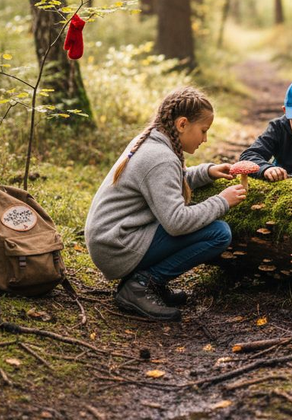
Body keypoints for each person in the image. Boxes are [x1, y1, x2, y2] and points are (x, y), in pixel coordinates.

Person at [84, 86, 247, 321]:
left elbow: (167, 185)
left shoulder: (152, 142)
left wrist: (207, 172)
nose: (205, 138)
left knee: (214, 229)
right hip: (117, 246)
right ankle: (141, 285)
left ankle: (147, 283)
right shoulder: (160, 157)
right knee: (219, 233)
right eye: (203, 130)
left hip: (113, 239)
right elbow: (176, 223)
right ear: (182, 124)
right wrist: (222, 201)